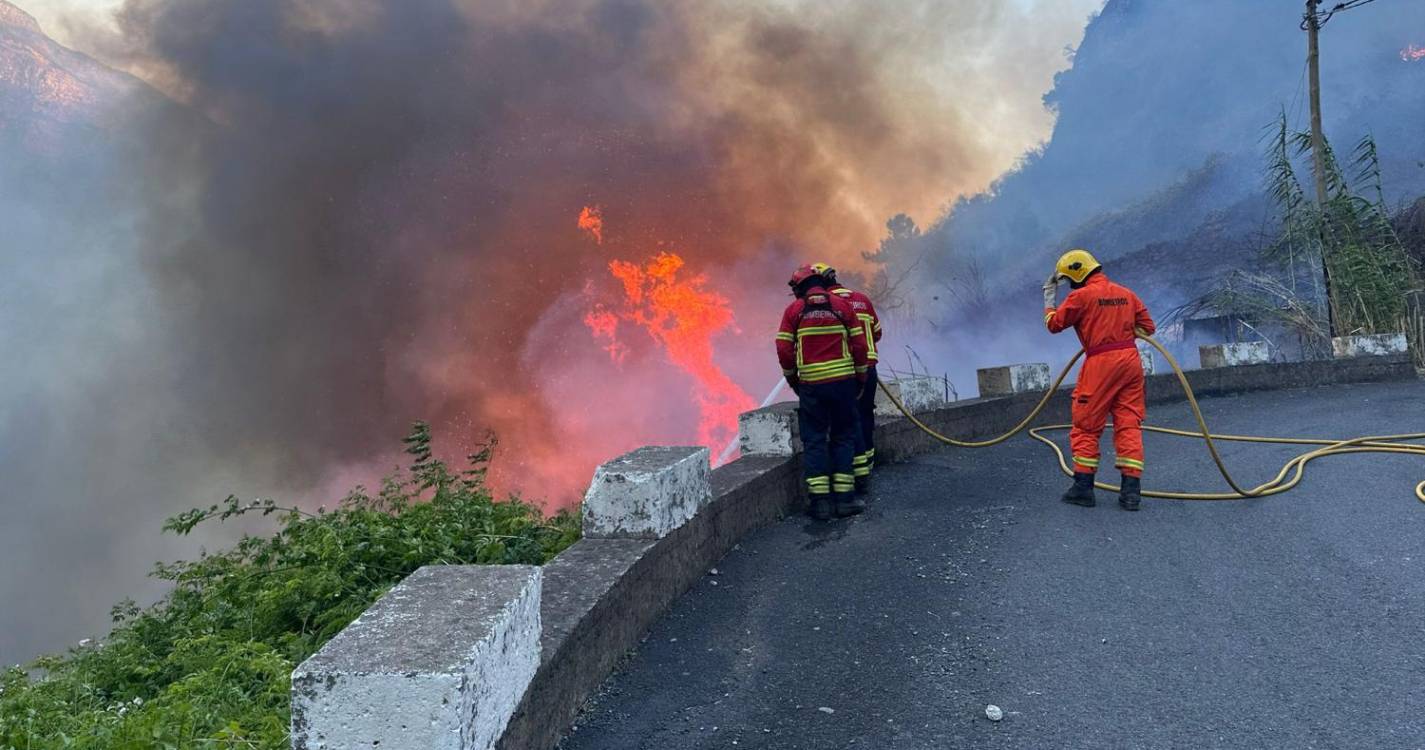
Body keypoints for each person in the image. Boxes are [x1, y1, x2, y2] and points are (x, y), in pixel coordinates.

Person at [1043, 248, 1156, 511]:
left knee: (1086, 424)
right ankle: (1131, 493)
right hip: (1130, 362)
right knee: (1128, 423)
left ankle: (1083, 488)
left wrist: (1049, 300)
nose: (1070, 286)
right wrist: (1120, 332)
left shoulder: (1080, 297)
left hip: (1100, 364)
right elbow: (1148, 327)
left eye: (1069, 281)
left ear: (1077, 275)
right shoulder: (1126, 293)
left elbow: (1054, 325)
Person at [777, 264, 870, 520]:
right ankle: (845, 500)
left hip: (811, 388)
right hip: (843, 385)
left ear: (801, 286)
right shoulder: (842, 306)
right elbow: (860, 345)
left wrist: (793, 379)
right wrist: (860, 378)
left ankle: (820, 504)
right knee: (843, 436)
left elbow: (784, 349)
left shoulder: (794, 311)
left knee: (815, 439)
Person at [812, 262, 883, 494]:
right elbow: (877, 332)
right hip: (870, 367)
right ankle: (868, 466)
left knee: (844, 422)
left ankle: (852, 472)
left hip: (845, 370)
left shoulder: (830, 305)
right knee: (865, 415)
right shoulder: (862, 299)